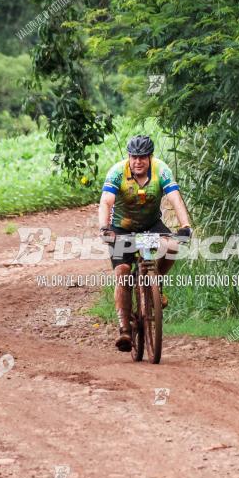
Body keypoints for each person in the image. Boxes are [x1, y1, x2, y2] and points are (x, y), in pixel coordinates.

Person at [98, 135, 192, 351]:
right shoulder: (117, 172)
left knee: (172, 247)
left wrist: (185, 226)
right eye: (134, 157)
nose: (137, 161)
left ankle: (154, 284)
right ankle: (124, 329)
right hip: (122, 228)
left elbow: (175, 197)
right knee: (122, 271)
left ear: (150, 157)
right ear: (129, 157)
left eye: (142, 157)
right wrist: (104, 228)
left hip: (151, 225)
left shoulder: (161, 169)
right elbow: (106, 201)